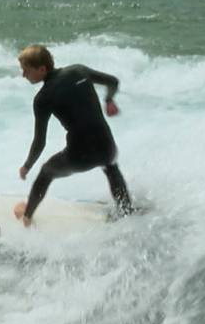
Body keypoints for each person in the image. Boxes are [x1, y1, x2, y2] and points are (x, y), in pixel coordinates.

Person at [13, 45, 133, 227]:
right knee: (110, 166)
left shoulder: (42, 99)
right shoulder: (78, 71)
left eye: (26, 70)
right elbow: (113, 82)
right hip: (107, 146)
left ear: (42, 69)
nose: (23, 75)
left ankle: (27, 217)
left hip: (80, 155)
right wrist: (109, 100)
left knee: (46, 172)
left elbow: (40, 141)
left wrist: (27, 166)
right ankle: (127, 211)